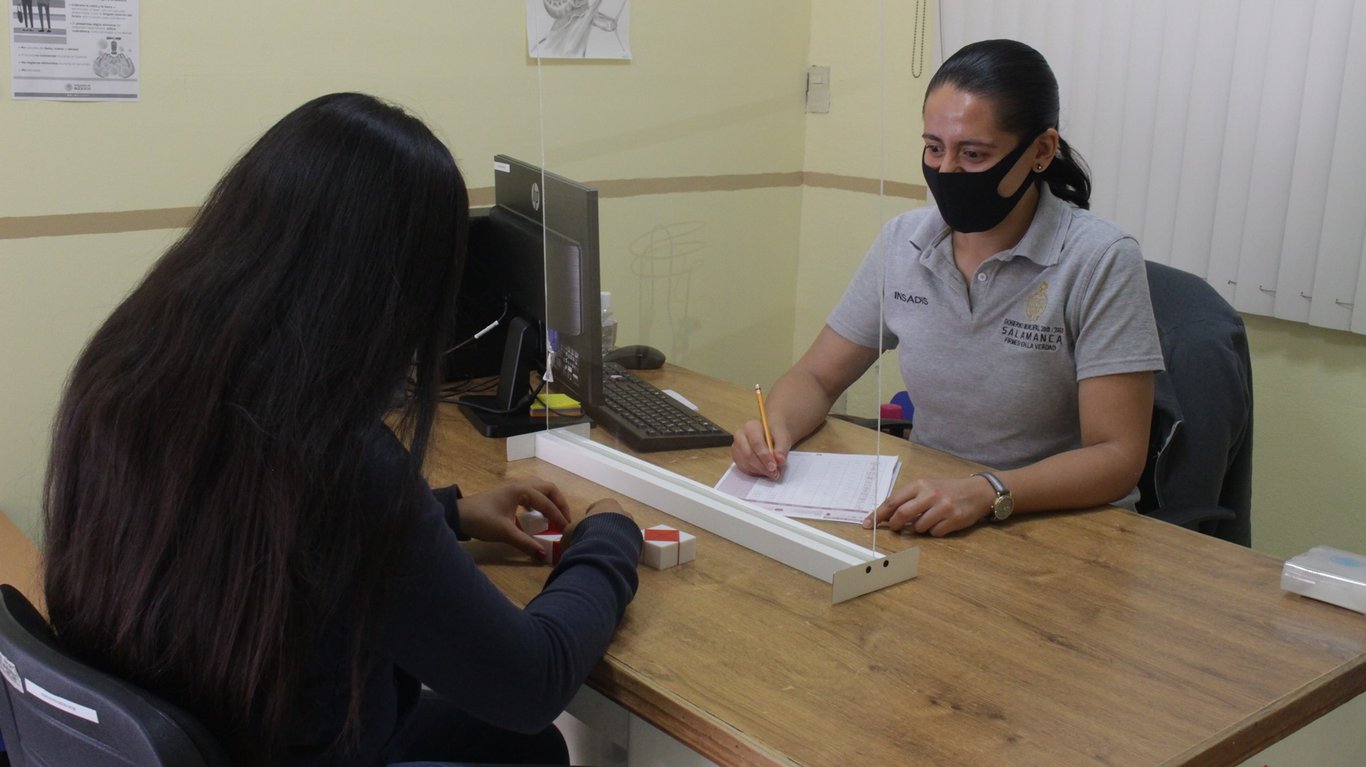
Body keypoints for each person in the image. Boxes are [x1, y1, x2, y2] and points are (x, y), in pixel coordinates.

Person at [42, 92, 643, 766]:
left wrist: (445, 513)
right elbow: (532, 679)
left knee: (521, 747)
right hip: (278, 739)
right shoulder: (332, 459)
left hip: (219, 729)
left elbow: (261, 535)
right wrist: (608, 535)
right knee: (526, 731)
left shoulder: (129, 374)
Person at [732, 39, 1164, 537]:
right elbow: (817, 377)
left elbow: (1117, 457)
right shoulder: (904, 242)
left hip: (1061, 525)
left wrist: (988, 491)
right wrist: (776, 429)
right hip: (935, 508)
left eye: (974, 154)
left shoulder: (1100, 258)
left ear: (1041, 151)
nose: (946, 171)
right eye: (934, 148)